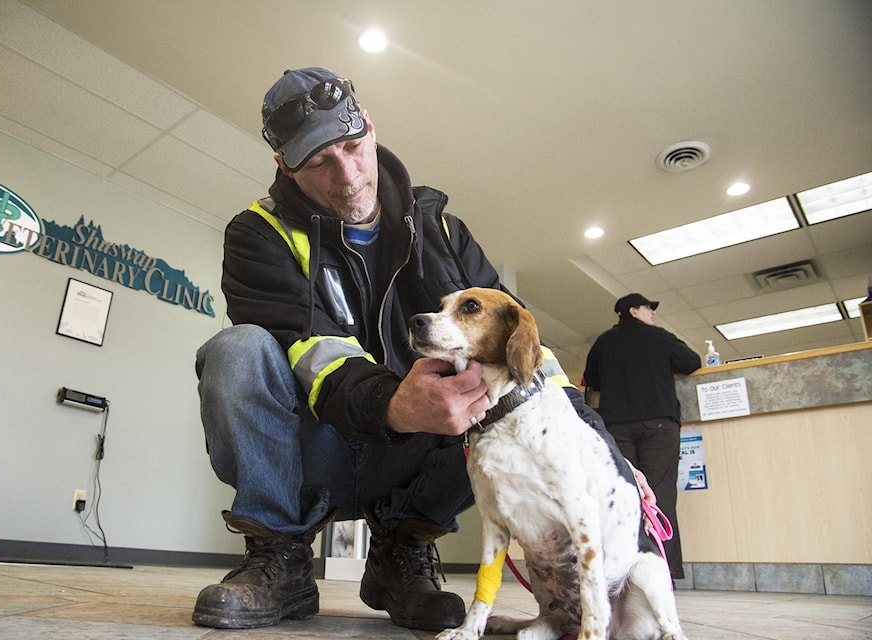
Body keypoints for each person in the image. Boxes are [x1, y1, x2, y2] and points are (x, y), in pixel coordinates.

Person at [193, 67, 634, 632]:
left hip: (419, 456)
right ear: (284, 165)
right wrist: (392, 402)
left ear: (371, 129)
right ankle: (279, 557)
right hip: (313, 449)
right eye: (319, 162)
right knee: (235, 351)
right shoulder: (258, 233)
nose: (348, 175)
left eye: (354, 147)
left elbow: (529, 354)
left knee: (500, 393)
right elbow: (307, 346)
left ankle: (401, 552)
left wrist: (606, 451)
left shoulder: (443, 232)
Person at [582, 292, 702, 581]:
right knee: (659, 496)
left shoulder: (603, 342)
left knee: (625, 499)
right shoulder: (658, 337)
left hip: (616, 429)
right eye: (649, 308)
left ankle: (624, 572)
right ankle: (664, 571)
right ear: (633, 311)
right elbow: (692, 361)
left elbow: (593, 379)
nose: (653, 313)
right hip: (658, 426)